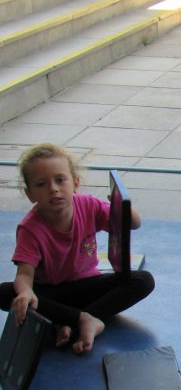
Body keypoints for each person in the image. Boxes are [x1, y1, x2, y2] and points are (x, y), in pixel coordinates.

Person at [0, 143, 155, 354]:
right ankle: (83, 319)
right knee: (5, 292)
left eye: (60, 180)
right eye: (41, 184)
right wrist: (26, 291)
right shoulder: (29, 228)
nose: (53, 189)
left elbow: (134, 224)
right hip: (53, 294)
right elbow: (24, 274)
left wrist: (123, 209)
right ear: (30, 194)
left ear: (75, 182)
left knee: (143, 280)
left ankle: (75, 320)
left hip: (88, 286)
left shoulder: (88, 205)